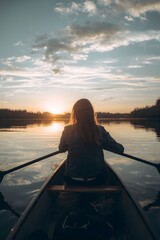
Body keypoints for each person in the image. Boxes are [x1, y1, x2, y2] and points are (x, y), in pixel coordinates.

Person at [59, 98, 124, 186]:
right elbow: (119, 149)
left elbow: (61, 148)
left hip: (72, 180)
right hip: (96, 180)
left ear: (75, 113)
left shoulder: (67, 130)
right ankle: (103, 197)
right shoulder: (100, 130)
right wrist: (103, 144)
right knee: (106, 173)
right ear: (91, 112)